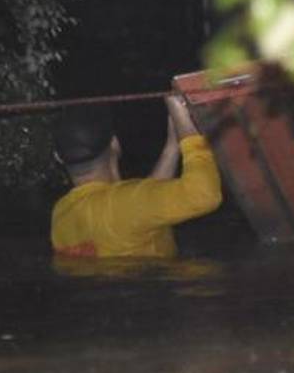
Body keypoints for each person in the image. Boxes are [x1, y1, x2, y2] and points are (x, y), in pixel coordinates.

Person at [50, 95, 222, 259]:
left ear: (58, 157)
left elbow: (141, 205)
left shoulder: (61, 214)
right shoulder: (121, 205)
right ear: (115, 144)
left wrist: (172, 147)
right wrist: (189, 133)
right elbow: (204, 195)